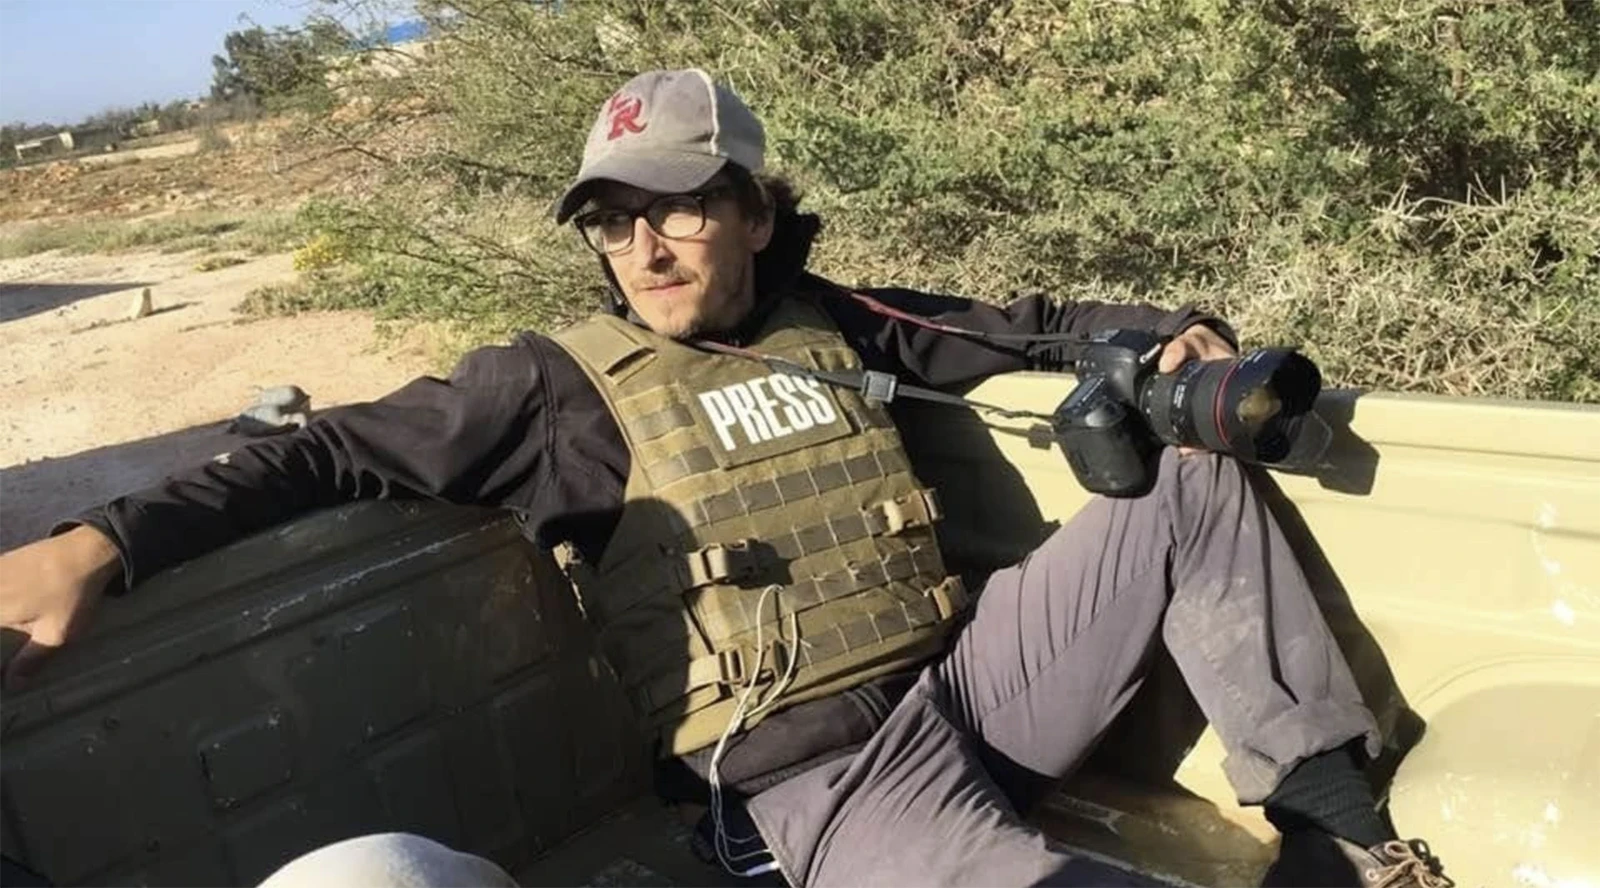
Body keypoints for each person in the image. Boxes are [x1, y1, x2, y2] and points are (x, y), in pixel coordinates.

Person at [0, 69, 1450, 888]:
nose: (644, 248)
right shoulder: (549, 386)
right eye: (612, 221)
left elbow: (1035, 326)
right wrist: (101, 542)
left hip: (968, 694)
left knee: (1192, 481)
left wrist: (1168, 333)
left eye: (681, 208)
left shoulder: (835, 321)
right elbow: (327, 449)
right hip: (810, 790)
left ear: (754, 212)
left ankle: (1336, 839)